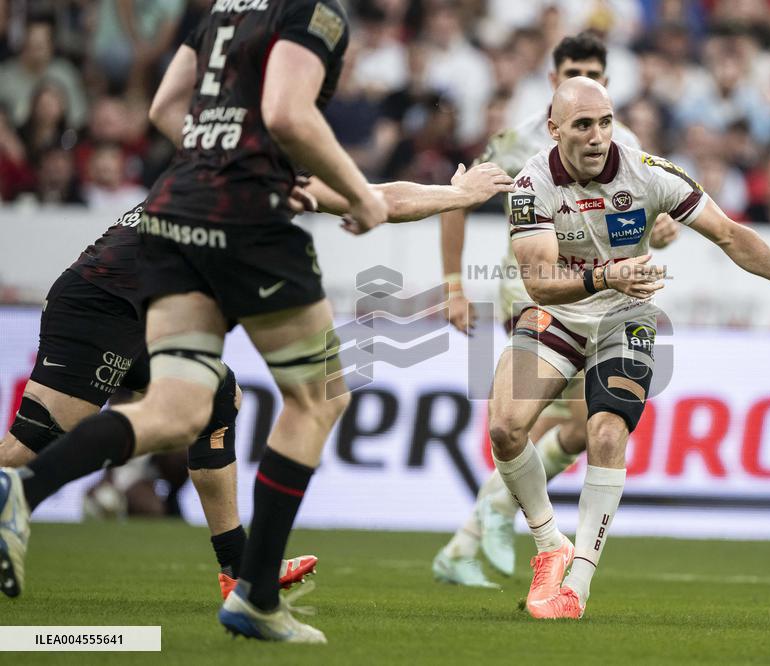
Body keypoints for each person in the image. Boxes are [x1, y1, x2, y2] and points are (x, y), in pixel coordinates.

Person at [0, 0, 508, 644]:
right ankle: (256, 593)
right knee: (318, 395)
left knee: (194, 405)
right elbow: (299, 125)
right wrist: (304, 182)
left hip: (173, 227)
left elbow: (162, 109)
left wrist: (223, 161)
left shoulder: (222, 15)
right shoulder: (311, 19)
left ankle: (34, 497)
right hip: (168, 265)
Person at [491, 77, 770, 619]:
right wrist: (607, 273)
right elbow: (539, 279)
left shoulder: (648, 173)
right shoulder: (532, 182)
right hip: (560, 312)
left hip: (627, 316)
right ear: (555, 130)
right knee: (505, 428)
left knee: (605, 430)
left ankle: (576, 587)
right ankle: (551, 546)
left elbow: (728, 233)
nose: (598, 135)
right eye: (582, 125)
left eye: (604, 121)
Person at [434, 31, 679, 588]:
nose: (581, 78)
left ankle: (484, 524)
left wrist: (661, 234)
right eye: (571, 70)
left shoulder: (627, 146)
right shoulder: (517, 143)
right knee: (541, 421)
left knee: (574, 428)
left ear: (608, 83)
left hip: (603, 298)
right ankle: (502, 521)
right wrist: (453, 283)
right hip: (532, 293)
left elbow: (644, 229)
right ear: (552, 81)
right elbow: (457, 200)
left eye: (593, 70)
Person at [0, 200, 318, 601]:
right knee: (26, 448)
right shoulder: (240, 185)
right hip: (101, 308)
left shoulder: (217, 171)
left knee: (219, 395)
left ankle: (240, 568)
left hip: (138, 315)